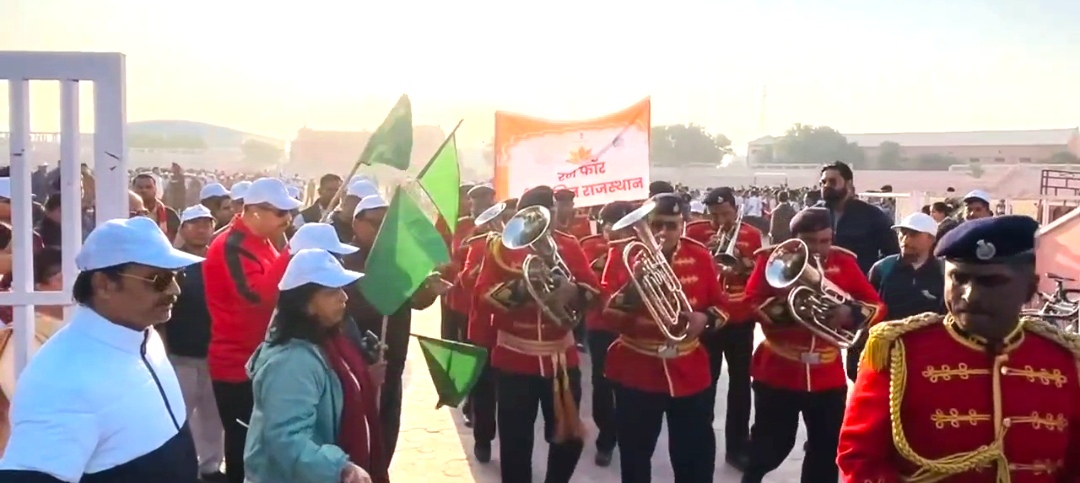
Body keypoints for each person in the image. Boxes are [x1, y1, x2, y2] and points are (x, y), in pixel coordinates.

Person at [837, 215, 1080, 482]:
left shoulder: (1064, 361)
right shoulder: (899, 353)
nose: (969, 295)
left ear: (1030, 288)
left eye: (991, 282)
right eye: (958, 278)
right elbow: (859, 458)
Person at [0, 217, 203, 482]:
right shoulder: (62, 379)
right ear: (104, 284)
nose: (175, 289)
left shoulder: (144, 335)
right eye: (159, 279)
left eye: (177, 275)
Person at [741, 207, 885, 483]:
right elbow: (752, 300)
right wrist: (790, 311)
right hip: (779, 370)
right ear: (795, 239)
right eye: (810, 241)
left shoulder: (843, 261)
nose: (819, 249)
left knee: (825, 451)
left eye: (825, 241)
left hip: (826, 375)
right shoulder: (773, 259)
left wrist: (849, 314)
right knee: (770, 447)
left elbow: (876, 305)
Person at [472, 185, 601, 483]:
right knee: (516, 443)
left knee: (568, 439)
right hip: (515, 360)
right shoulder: (500, 248)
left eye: (550, 214)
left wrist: (573, 291)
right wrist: (524, 289)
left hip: (561, 360)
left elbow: (595, 292)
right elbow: (482, 294)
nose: (550, 221)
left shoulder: (569, 246)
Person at [601, 193, 727, 482]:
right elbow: (607, 316)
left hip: (688, 368)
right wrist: (635, 284)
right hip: (638, 368)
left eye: (671, 225)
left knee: (694, 453)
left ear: (683, 225)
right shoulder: (622, 255)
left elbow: (722, 305)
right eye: (656, 224)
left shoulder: (698, 254)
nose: (663, 233)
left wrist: (705, 319)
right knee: (635, 454)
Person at [244, 249, 385, 483]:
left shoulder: (327, 341)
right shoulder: (292, 362)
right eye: (332, 292)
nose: (344, 297)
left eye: (342, 289)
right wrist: (340, 468)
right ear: (305, 305)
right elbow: (286, 438)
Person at [203, 177, 299, 483]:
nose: (287, 219)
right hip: (237, 366)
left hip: (259, 360)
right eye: (280, 213)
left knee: (261, 447)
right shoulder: (230, 246)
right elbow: (258, 296)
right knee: (244, 449)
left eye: (289, 213)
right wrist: (291, 255)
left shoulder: (261, 242)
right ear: (255, 211)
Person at [341, 194, 444, 465]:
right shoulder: (345, 262)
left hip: (393, 363)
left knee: (386, 431)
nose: (382, 232)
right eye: (375, 224)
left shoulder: (398, 259)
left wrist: (428, 292)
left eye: (388, 225)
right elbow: (352, 309)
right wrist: (385, 295)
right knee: (360, 436)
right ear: (357, 224)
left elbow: (413, 301)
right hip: (359, 367)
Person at [684, 187, 760, 471]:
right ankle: (699, 441)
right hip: (709, 318)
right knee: (706, 382)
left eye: (726, 214)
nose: (720, 221)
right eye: (715, 215)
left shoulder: (750, 234)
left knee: (740, 385)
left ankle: (737, 446)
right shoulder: (695, 232)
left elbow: (759, 273)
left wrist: (741, 263)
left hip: (740, 318)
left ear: (735, 209)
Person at [160, 205, 226, 482]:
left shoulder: (220, 262)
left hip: (214, 355)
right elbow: (162, 316)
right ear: (183, 228)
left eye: (206, 223)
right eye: (195, 223)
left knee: (214, 419)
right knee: (177, 418)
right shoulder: (173, 265)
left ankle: (210, 468)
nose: (201, 229)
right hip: (181, 355)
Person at [846, 212, 946, 381]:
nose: (905, 239)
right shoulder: (882, 269)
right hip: (885, 358)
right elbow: (866, 312)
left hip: (929, 361)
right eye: (902, 233)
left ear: (930, 238)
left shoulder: (944, 272)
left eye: (913, 234)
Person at [578, 200, 634, 467]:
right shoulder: (589, 246)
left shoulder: (641, 248)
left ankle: (627, 433)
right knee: (602, 383)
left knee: (630, 386)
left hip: (634, 327)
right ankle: (606, 439)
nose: (624, 233)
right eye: (616, 226)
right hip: (601, 326)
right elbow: (586, 284)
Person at [458, 199, 513, 463]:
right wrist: (487, 265)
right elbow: (466, 281)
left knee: (511, 394)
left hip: (511, 331)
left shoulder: (524, 249)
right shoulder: (480, 244)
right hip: (483, 330)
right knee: (483, 389)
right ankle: (483, 439)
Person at [817, 161, 899, 275]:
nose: (826, 186)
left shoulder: (872, 215)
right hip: (821, 284)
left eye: (832, 181)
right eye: (823, 182)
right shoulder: (814, 215)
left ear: (849, 184)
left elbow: (892, 254)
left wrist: (873, 279)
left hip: (858, 285)